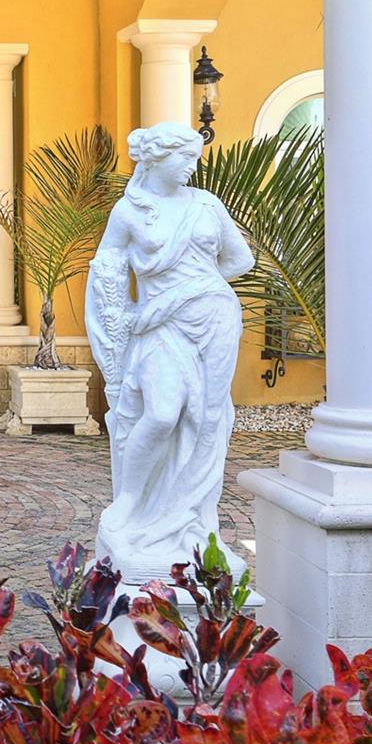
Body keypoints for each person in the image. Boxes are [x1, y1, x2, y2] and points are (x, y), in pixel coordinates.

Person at [85, 122, 254, 580]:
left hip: (215, 317)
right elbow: (106, 271)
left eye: (195, 158)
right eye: (185, 158)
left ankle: (193, 518)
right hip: (159, 326)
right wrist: (115, 330)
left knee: (207, 418)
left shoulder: (206, 205)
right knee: (162, 413)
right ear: (157, 159)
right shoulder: (129, 212)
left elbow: (241, 259)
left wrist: (196, 286)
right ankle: (130, 502)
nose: (192, 167)